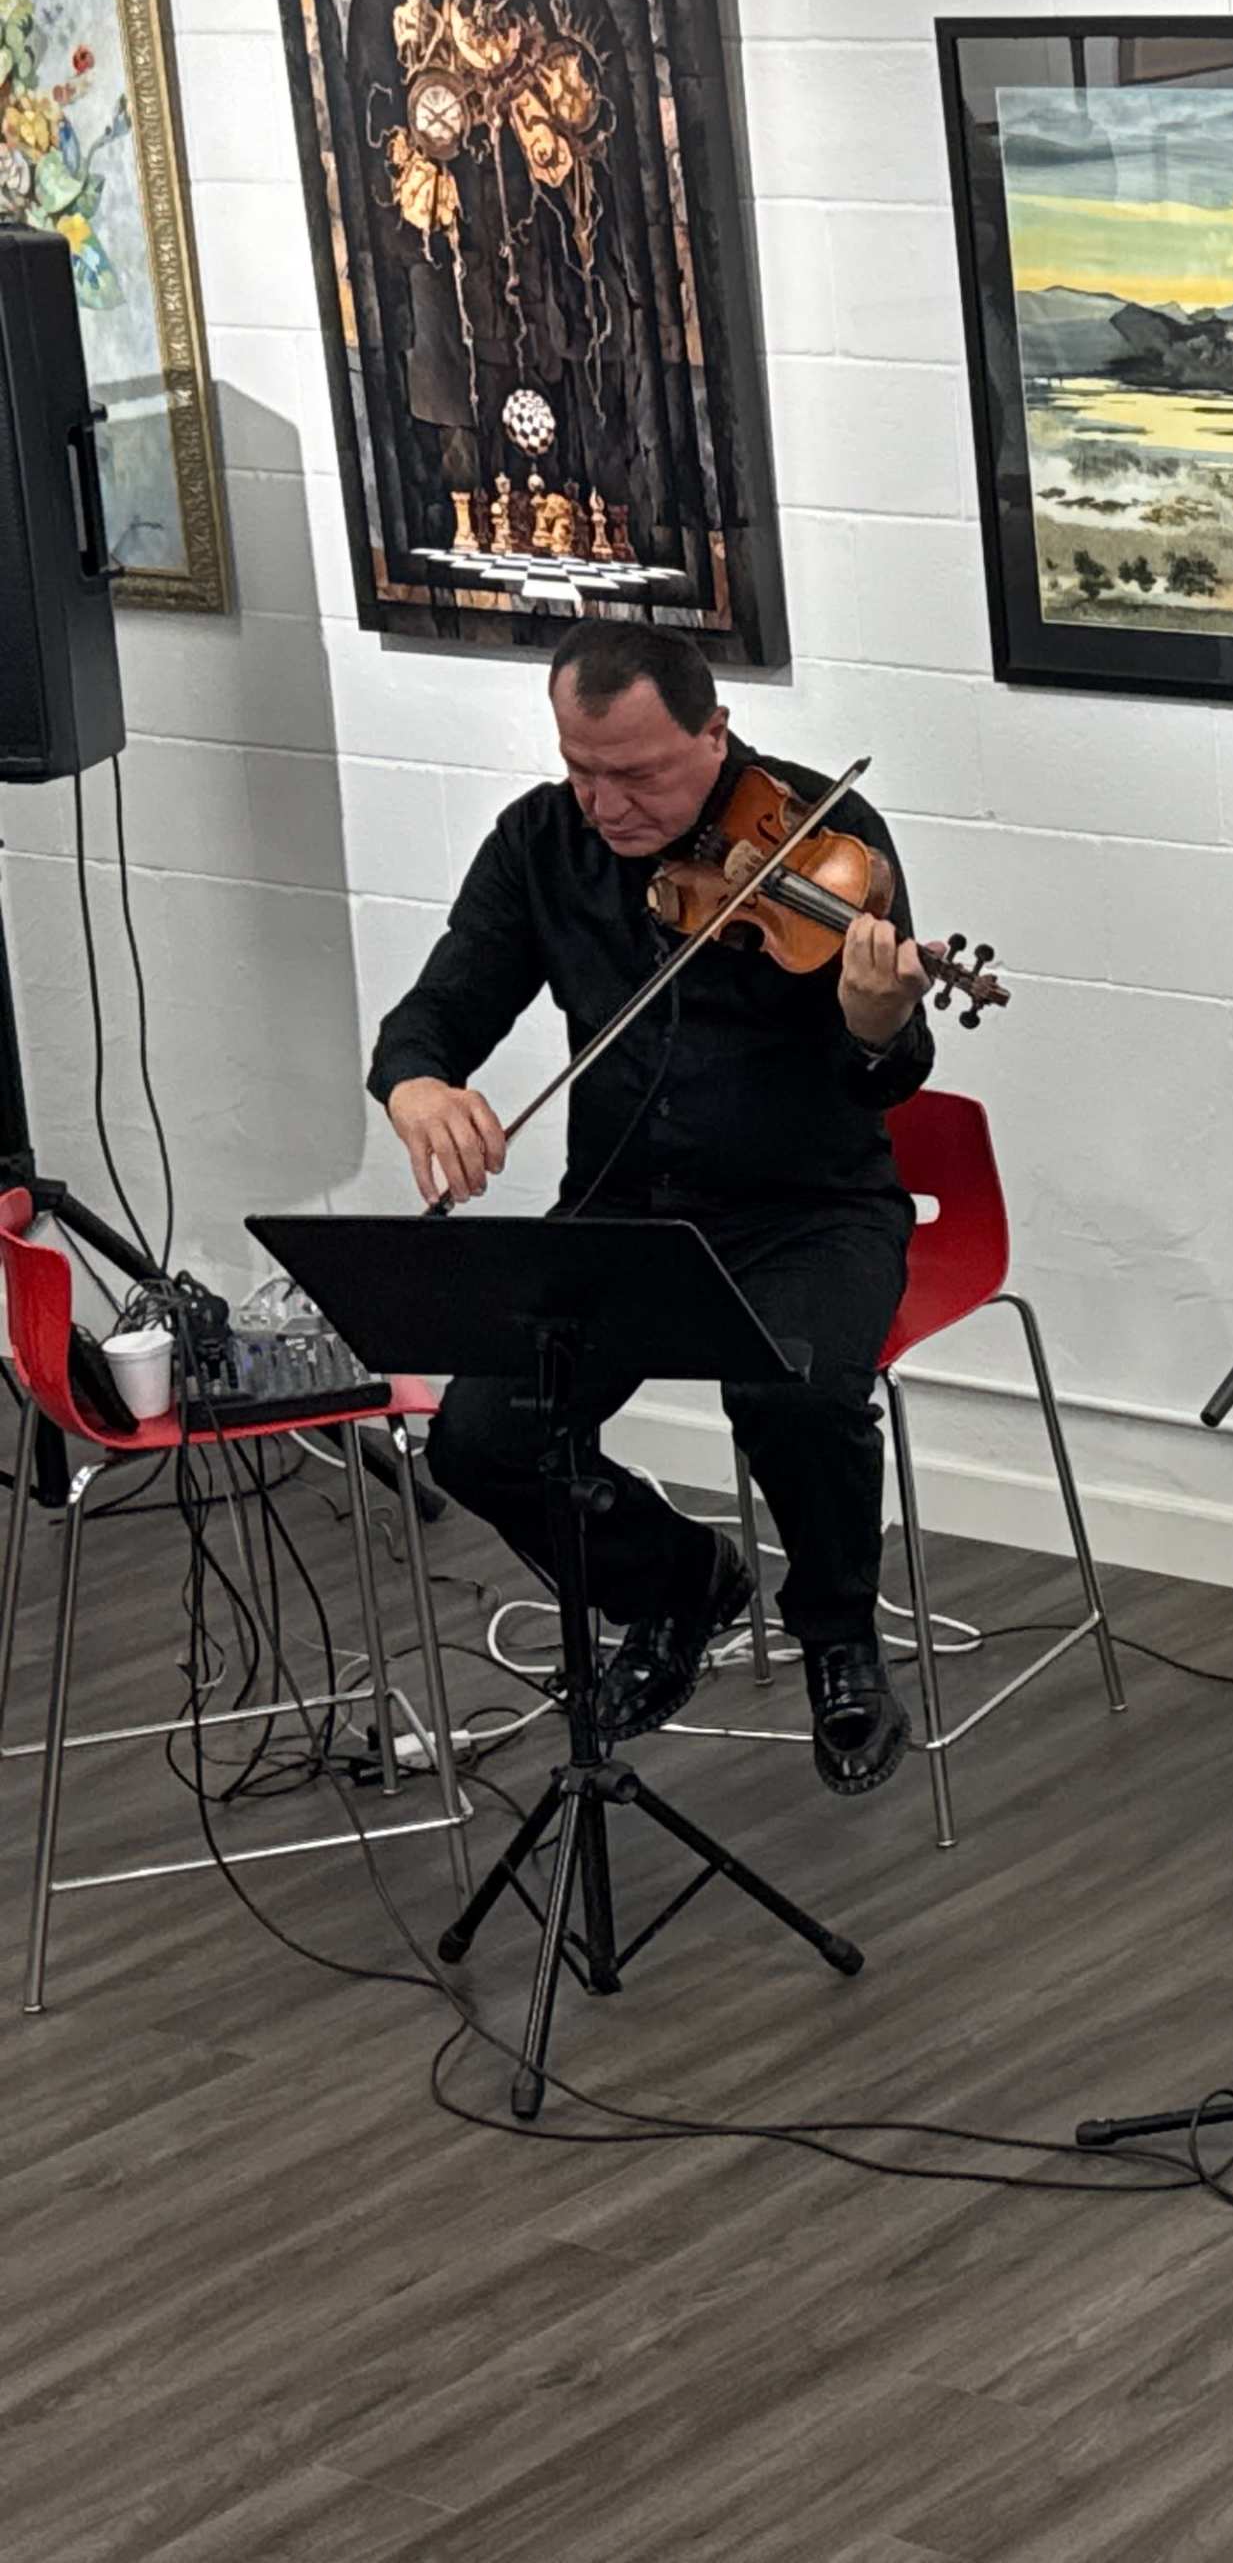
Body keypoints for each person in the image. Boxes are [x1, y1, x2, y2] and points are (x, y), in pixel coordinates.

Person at [367, 627, 934, 1796]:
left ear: (714, 734)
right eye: (582, 768)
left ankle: (839, 1641)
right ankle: (676, 1585)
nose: (605, 801)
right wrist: (419, 1086)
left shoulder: (827, 843)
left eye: (638, 774)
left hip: (809, 1207)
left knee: (789, 1389)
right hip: (624, 1207)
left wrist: (878, 1018)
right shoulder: (539, 843)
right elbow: (436, 1012)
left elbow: (888, 1069)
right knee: (480, 1437)